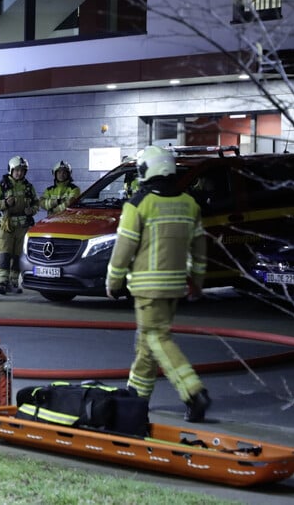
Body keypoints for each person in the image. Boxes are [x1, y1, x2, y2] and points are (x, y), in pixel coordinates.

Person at [105, 146, 211, 423]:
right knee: (146, 344)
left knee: (157, 340)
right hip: (175, 286)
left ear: (146, 170)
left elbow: (124, 248)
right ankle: (136, 398)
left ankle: (193, 392)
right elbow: (200, 248)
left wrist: (113, 281)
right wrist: (197, 281)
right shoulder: (190, 204)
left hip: (146, 288)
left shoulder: (139, 204)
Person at [0, 156, 39, 295]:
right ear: (11, 170)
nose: (19, 173)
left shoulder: (28, 187)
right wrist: (4, 203)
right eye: (16, 170)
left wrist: (31, 210)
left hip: (22, 227)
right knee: (5, 255)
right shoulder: (1, 185)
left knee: (17, 256)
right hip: (6, 225)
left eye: (22, 171)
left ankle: (13, 282)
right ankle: (2, 283)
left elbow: (36, 203)